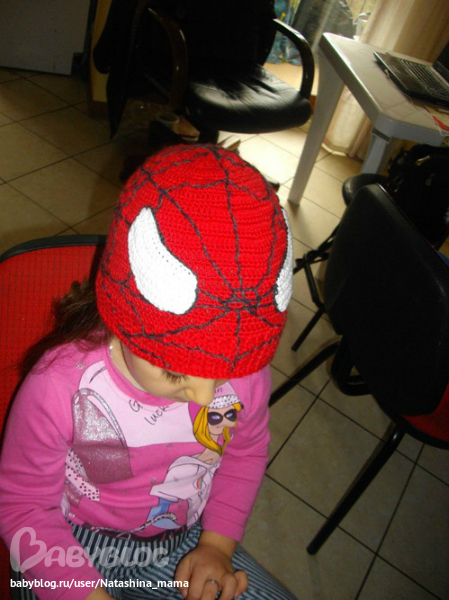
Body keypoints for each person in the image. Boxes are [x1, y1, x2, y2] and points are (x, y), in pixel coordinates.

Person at [0, 144, 295, 600]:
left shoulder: (244, 370)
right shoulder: (59, 386)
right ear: (121, 318)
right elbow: (22, 506)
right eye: (178, 375)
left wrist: (217, 544)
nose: (205, 397)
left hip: (182, 543)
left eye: (222, 374)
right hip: (68, 544)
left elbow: (245, 454)